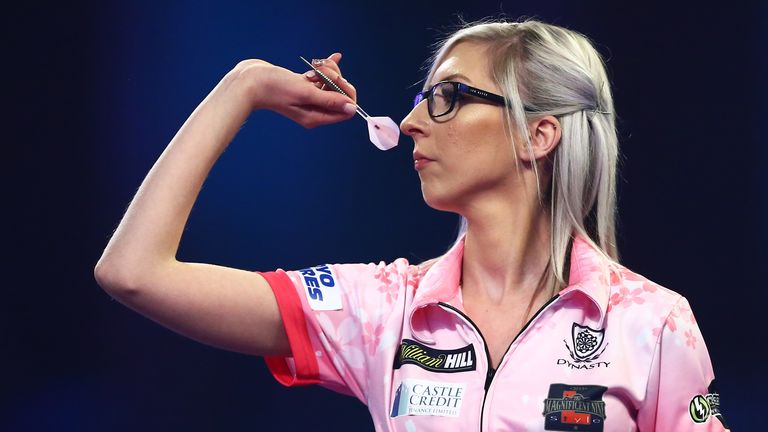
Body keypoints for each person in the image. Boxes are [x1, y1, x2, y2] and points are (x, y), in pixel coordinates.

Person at [95, 18, 729, 431]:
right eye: (422, 98)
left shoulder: (654, 324)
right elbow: (134, 272)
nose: (410, 122)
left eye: (446, 98)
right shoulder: (382, 311)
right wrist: (245, 86)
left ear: (537, 135)